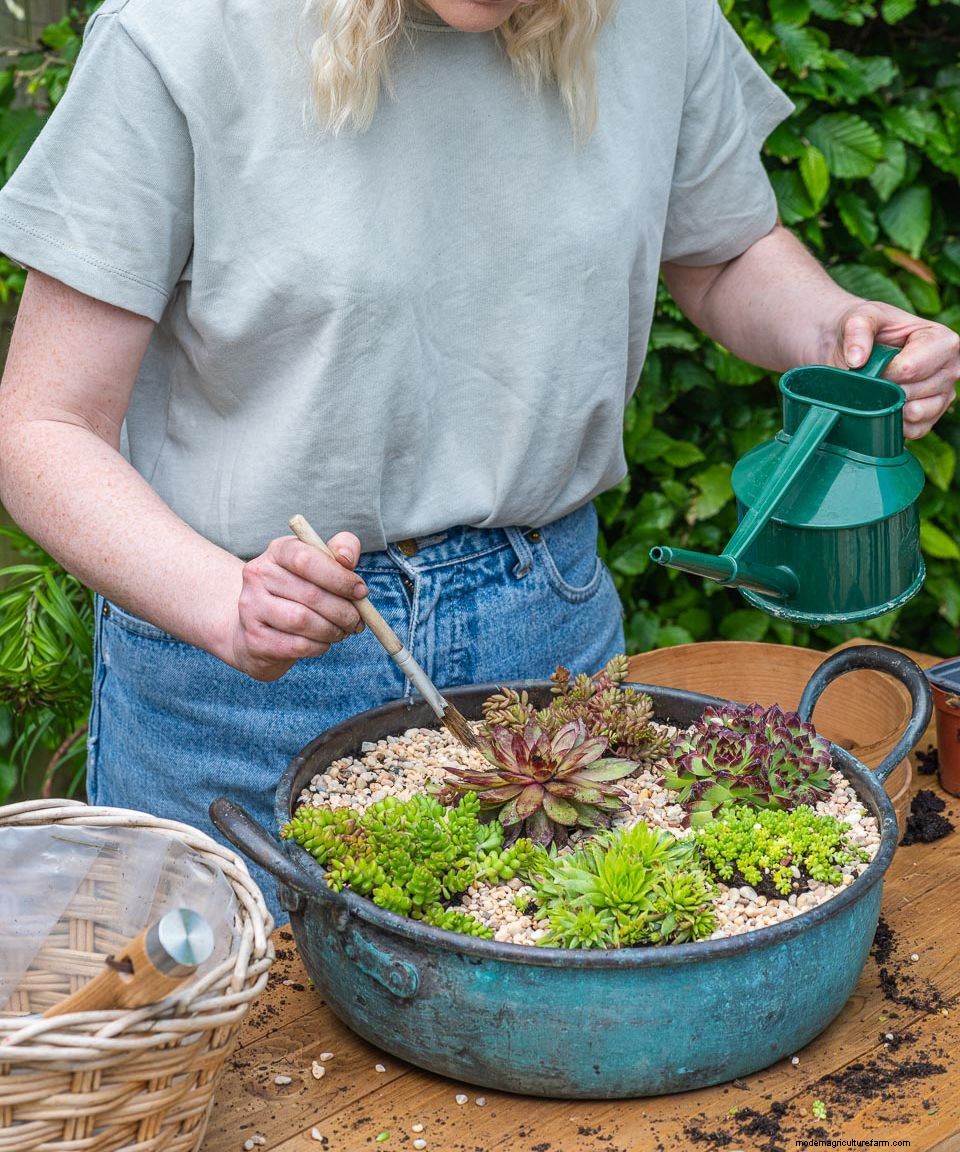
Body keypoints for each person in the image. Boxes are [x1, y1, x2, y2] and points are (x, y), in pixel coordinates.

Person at [0, 0, 956, 918]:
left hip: (545, 633)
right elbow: (43, 427)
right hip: (241, 678)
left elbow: (723, 254)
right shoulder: (178, 36)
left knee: (576, 1027)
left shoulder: (657, 17)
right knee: (233, 1060)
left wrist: (835, 328)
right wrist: (224, 601)